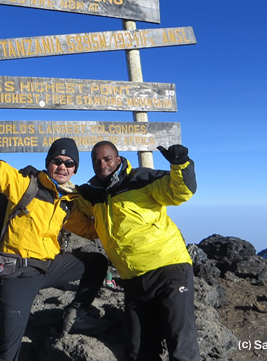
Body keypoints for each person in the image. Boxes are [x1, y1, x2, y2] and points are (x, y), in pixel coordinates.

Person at [0, 101, 108, 361]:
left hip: (48, 267)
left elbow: (91, 230)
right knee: (9, 352)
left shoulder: (68, 202)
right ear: (49, 162)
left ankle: (77, 314)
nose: (63, 166)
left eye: (69, 163)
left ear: (75, 169)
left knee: (97, 263)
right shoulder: (25, 186)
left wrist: (110, 212)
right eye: (57, 160)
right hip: (18, 274)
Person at [76, 141, 199, 361]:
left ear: (118, 158)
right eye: (96, 161)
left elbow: (180, 192)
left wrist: (181, 164)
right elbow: (70, 200)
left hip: (168, 269)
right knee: (139, 350)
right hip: (133, 279)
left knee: (181, 344)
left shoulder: (141, 179)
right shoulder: (93, 194)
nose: (102, 164)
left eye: (107, 159)